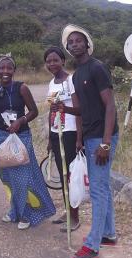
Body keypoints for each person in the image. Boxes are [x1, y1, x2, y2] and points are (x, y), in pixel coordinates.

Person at [60, 24, 119, 258]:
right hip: (91, 136)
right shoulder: (77, 75)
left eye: (78, 41)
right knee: (102, 187)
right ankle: (109, 234)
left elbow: (110, 106)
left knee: (98, 190)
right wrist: (64, 110)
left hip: (103, 138)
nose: (74, 44)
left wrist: (105, 143)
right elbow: (84, 109)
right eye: (70, 42)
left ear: (87, 43)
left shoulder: (97, 68)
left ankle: (92, 244)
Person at [0, 54, 56, 230]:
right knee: (8, 178)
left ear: (14, 70)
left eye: (9, 68)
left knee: (22, 178)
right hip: (0, 137)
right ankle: (14, 210)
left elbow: (33, 112)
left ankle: (26, 214)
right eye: (1, 68)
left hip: (21, 137)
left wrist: (20, 121)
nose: (5, 71)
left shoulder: (22, 88)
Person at [44, 46, 82, 232]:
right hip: (56, 132)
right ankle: (68, 212)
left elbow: (79, 111)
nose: (52, 64)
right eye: (49, 61)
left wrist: (79, 139)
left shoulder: (71, 81)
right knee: (62, 175)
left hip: (69, 133)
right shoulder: (52, 83)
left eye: (55, 60)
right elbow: (51, 110)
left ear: (63, 61)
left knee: (71, 178)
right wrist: (50, 137)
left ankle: (75, 217)